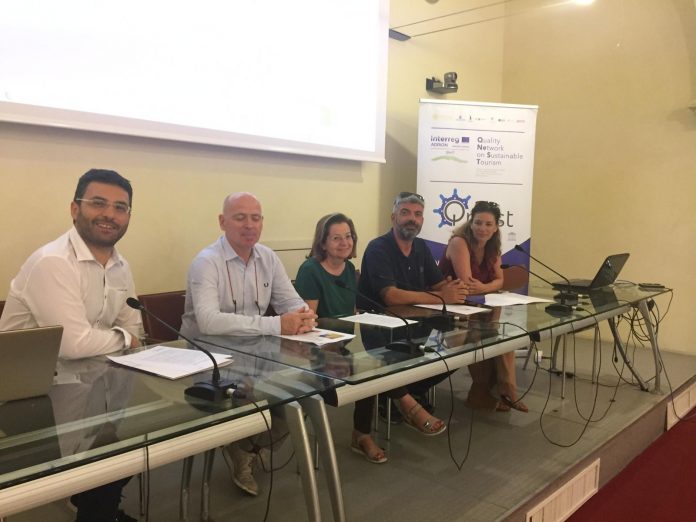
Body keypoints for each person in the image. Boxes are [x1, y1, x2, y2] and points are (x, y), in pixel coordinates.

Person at [0, 168, 142, 522]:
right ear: (75, 208)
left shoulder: (121, 265)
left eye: (120, 207)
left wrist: (124, 336)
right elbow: (74, 344)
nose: (109, 214)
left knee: (132, 444)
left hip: (89, 383)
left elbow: (134, 323)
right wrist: (123, 338)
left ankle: (96, 505)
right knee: (108, 461)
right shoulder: (53, 262)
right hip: (27, 397)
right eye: (98, 203)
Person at [180, 191, 317, 496]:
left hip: (256, 354)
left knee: (303, 397)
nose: (249, 225)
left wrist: (304, 314)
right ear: (222, 222)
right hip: (209, 360)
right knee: (248, 401)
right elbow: (209, 322)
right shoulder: (206, 262)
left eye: (255, 218)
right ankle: (243, 447)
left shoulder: (267, 257)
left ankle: (246, 449)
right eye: (240, 217)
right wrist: (277, 324)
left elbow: (289, 302)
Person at [358, 191, 468, 434]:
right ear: (393, 217)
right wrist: (442, 296)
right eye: (405, 213)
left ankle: (408, 391)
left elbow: (438, 284)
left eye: (418, 214)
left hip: (417, 323)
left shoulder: (420, 247)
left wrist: (455, 289)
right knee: (401, 354)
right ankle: (400, 397)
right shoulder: (378, 248)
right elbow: (391, 296)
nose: (412, 219)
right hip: (379, 328)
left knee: (461, 350)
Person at [294, 213, 387, 463]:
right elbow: (308, 322)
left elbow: (351, 313)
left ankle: (361, 435)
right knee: (366, 372)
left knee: (374, 368)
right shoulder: (310, 270)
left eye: (348, 236)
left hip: (343, 346)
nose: (344, 242)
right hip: (315, 353)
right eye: (336, 238)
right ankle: (405, 410)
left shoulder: (348, 270)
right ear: (323, 242)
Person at [439, 200, 529, 413]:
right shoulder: (459, 242)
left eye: (488, 224)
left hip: (478, 307)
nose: (482, 228)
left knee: (504, 335)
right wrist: (488, 287)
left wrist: (485, 287)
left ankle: (502, 391)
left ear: (496, 227)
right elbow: (467, 285)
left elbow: (500, 280)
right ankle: (493, 393)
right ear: (471, 223)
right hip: (450, 310)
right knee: (483, 335)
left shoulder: (492, 246)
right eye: (478, 222)